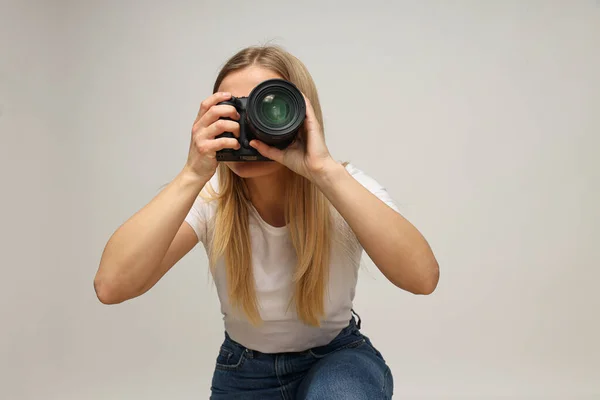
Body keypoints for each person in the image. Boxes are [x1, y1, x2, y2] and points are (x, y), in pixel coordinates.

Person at [94, 45, 440, 400]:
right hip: (244, 372)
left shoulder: (340, 186)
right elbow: (112, 286)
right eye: (234, 112)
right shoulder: (210, 197)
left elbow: (422, 279)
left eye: (268, 109)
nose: (251, 126)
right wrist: (191, 174)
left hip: (339, 360)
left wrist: (323, 171)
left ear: (303, 117)